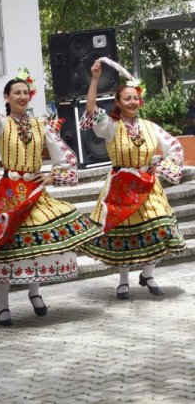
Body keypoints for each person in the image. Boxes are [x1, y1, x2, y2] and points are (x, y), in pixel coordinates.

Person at [0, 43, 101, 326]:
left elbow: (65, 157)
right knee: (6, 246)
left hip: (36, 191)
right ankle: (2, 306)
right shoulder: (1, 124)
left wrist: (53, 176)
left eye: (25, 92)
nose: (21, 96)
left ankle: (34, 292)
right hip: (9, 192)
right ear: (6, 97)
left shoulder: (42, 124)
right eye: (15, 92)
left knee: (38, 243)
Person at [81, 59, 185, 299]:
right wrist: (95, 79)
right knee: (123, 232)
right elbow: (90, 111)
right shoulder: (110, 126)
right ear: (118, 102)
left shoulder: (150, 127)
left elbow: (175, 148)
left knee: (160, 227)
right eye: (126, 98)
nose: (132, 102)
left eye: (135, 98)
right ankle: (124, 279)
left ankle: (148, 273)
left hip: (148, 185)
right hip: (121, 186)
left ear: (140, 100)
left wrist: (162, 167)